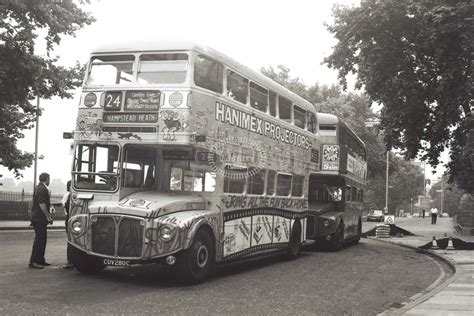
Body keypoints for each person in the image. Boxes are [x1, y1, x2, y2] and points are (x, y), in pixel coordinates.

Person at [29, 173, 53, 269]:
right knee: (39, 240)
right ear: (46, 179)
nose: (49, 180)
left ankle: (40, 260)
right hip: (39, 218)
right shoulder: (42, 189)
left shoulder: (39, 187)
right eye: (49, 178)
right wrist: (48, 217)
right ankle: (34, 261)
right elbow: (41, 203)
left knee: (42, 239)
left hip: (38, 218)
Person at [62, 180, 74, 269]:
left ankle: (70, 261)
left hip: (69, 218)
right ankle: (70, 261)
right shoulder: (69, 195)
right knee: (71, 240)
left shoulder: (68, 194)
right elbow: (66, 205)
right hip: (71, 217)